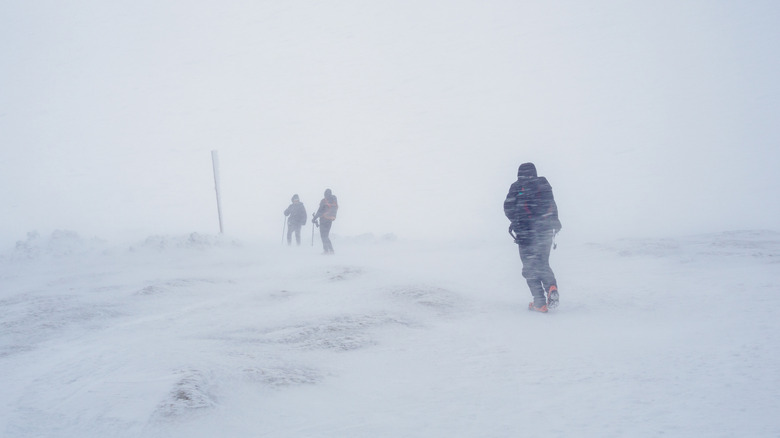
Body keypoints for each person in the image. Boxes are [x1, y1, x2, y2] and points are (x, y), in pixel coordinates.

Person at [503, 162, 562, 313]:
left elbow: (507, 208)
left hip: (526, 234)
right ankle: (551, 287)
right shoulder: (544, 186)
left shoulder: (517, 187)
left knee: (529, 268)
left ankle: (539, 302)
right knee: (542, 263)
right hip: (545, 232)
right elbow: (552, 206)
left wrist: (517, 222)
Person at [312, 188, 338, 254]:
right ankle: (331, 250)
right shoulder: (333, 201)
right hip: (330, 220)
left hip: (323, 219)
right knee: (326, 235)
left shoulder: (324, 201)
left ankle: (326, 250)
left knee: (323, 236)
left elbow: (320, 211)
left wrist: (314, 218)